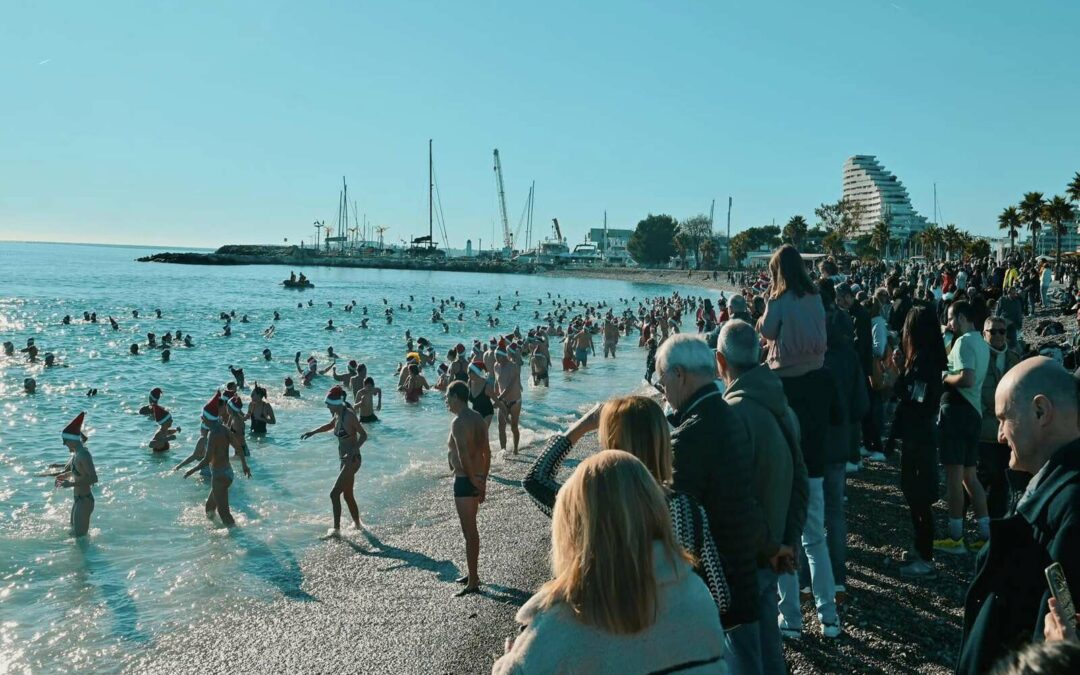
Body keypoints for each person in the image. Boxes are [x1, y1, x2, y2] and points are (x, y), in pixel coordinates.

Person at [492, 451, 727, 674]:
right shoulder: (696, 596)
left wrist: (509, 663)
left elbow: (534, 480)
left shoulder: (561, 623)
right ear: (654, 510)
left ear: (574, 528)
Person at [523, 397, 731, 617]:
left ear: (612, 443)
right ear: (661, 439)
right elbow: (719, 596)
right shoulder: (685, 509)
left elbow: (535, 480)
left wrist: (582, 426)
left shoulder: (590, 505)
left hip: (604, 632)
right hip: (671, 641)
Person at [957, 357, 1080, 674]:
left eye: (1004, 419)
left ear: (1041, 412)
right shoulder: (1051, 493)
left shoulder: (1070, 507)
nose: (999, 435)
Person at [656, 334, 769, 669]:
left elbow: (680, 524)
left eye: (662, 381)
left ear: (679, 374)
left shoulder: (692, 435)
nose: (662, 390)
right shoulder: (726, 412)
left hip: (718, 586)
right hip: (742, 565)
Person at [716, 320, 808, 673]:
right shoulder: (783, 407)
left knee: (743, 655)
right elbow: (800, 479)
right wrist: (788, 541)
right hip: (775, 547)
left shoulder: (733, 415)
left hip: (747, 556)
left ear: (720, 362)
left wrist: (771, 545)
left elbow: (736, 499)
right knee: (769, 645)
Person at [758, 247, 841, 639]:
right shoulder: (816, 299)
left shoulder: (779, 300)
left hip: (787, 388)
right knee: (816, 536)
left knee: (785, 534)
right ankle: (829, 616)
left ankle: (790, 617)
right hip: (815, 396)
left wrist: (766, 310)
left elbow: (767, 333)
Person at [887, 306, 948, 577]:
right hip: (921, 435)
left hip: (919, 437)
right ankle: (920, 549)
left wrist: (898, 374)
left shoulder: (923, 362)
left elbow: (914, 397)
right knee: (916, 495)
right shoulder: (929, 358)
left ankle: (925, 558)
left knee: (918, 497)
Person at [935, 300, 992, 554]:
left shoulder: (964, 342)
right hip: (975, 413)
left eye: (951, 317)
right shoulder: (981, 342)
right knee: (971, 477)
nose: (949, 323)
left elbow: (966, 378)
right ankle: (985, 534)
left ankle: (955, 537)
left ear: (960, 317)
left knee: (955, 478)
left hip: (957, 412)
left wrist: (945, 377)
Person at [444, 381, 490, 597]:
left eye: (447, 396)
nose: (446, 400)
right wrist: (483, 481)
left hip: (465, 480)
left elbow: (462, 454)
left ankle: (473, 581)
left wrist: (472, 480)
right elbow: (487, 452)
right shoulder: (478, 418)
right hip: (476, 477)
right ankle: (473, 573)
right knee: (469, 531)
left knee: (470, 533)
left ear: (456, 397)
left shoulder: (459, 421)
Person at [300, 386, 367, 533]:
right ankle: (358, 525)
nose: (326, 406)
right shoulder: (338, 414)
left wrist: (353, 451)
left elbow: (364, 435)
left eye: (328, 403)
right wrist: (313, 432)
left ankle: (336, 531)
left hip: (352, 460)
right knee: (348, 495)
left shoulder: (349, 415)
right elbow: (331, 425)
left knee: (334, 494)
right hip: (344, 461)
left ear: (336, 403)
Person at [184, 392, 251, 526]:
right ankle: (216, 536)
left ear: (208, 419)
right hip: (227, 473)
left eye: (203, 419)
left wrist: (192, 470)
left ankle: (237, 538)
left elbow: (207, 459)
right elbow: (238, 448)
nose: (202, 420)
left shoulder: (213, 435)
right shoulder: (225, 429)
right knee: (209, 508)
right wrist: (244, 465)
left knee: (224, 513)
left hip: (219, 476)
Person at [978, 317, 1021, 519]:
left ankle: (994, 524)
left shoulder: (1015, 359)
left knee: (1002, 479)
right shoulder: (977, 358)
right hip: (984, 429)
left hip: (1008, 430)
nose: (997, 335)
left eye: (1001, 331)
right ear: (984, 333)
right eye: (992, 331)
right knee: (987, 475)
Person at [50, 413, 98, 537]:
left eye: (64, 441)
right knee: (73, 534)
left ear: (72, 439)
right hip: (78, 499)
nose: (63, 444)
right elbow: (80, 472)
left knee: (80, 540)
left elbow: (93, 478)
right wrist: (65, 475)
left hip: (85, 500)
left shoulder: (84, 455)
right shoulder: (77, 454)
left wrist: (71, 483)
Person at [494, 343, 523, 454]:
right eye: (495, 355)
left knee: (514, 426)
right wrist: (496, 395)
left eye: (498, 356)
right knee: (501, 426)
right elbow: (497, 383)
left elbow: (509, 387)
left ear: (504, 356)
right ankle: (503, 451)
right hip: (503, 401)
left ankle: (515, 449)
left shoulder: (513, 366)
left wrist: (498, 399)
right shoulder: (496, 366)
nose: (496, 358)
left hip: (515, 401)